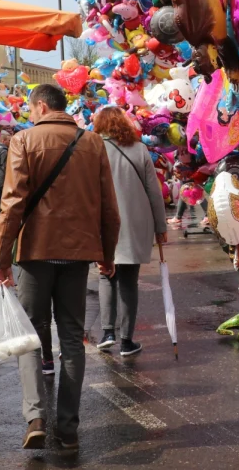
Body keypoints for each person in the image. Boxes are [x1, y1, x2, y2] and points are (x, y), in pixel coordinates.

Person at [0, 83, 120, 451]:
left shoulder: (25, 140)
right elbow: (108, 208)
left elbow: (12, 204)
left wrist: (1, 260)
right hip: (78, 254)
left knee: (31, 336)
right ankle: (68, 428)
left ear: (41, 107)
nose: (30, 116)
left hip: (34, 251)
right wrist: (106, 255)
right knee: (71, 338)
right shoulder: (93, 142)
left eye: (31, 110)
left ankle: (35, 417)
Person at [93, 106, 168, 356]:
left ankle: (107, 332)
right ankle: (126, 340)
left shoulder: (92, 149)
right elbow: (154, 192)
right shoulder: (139, 149)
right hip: (136, 224)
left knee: (106, 275)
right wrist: (160, 227)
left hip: (103, 224)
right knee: (128, 282)